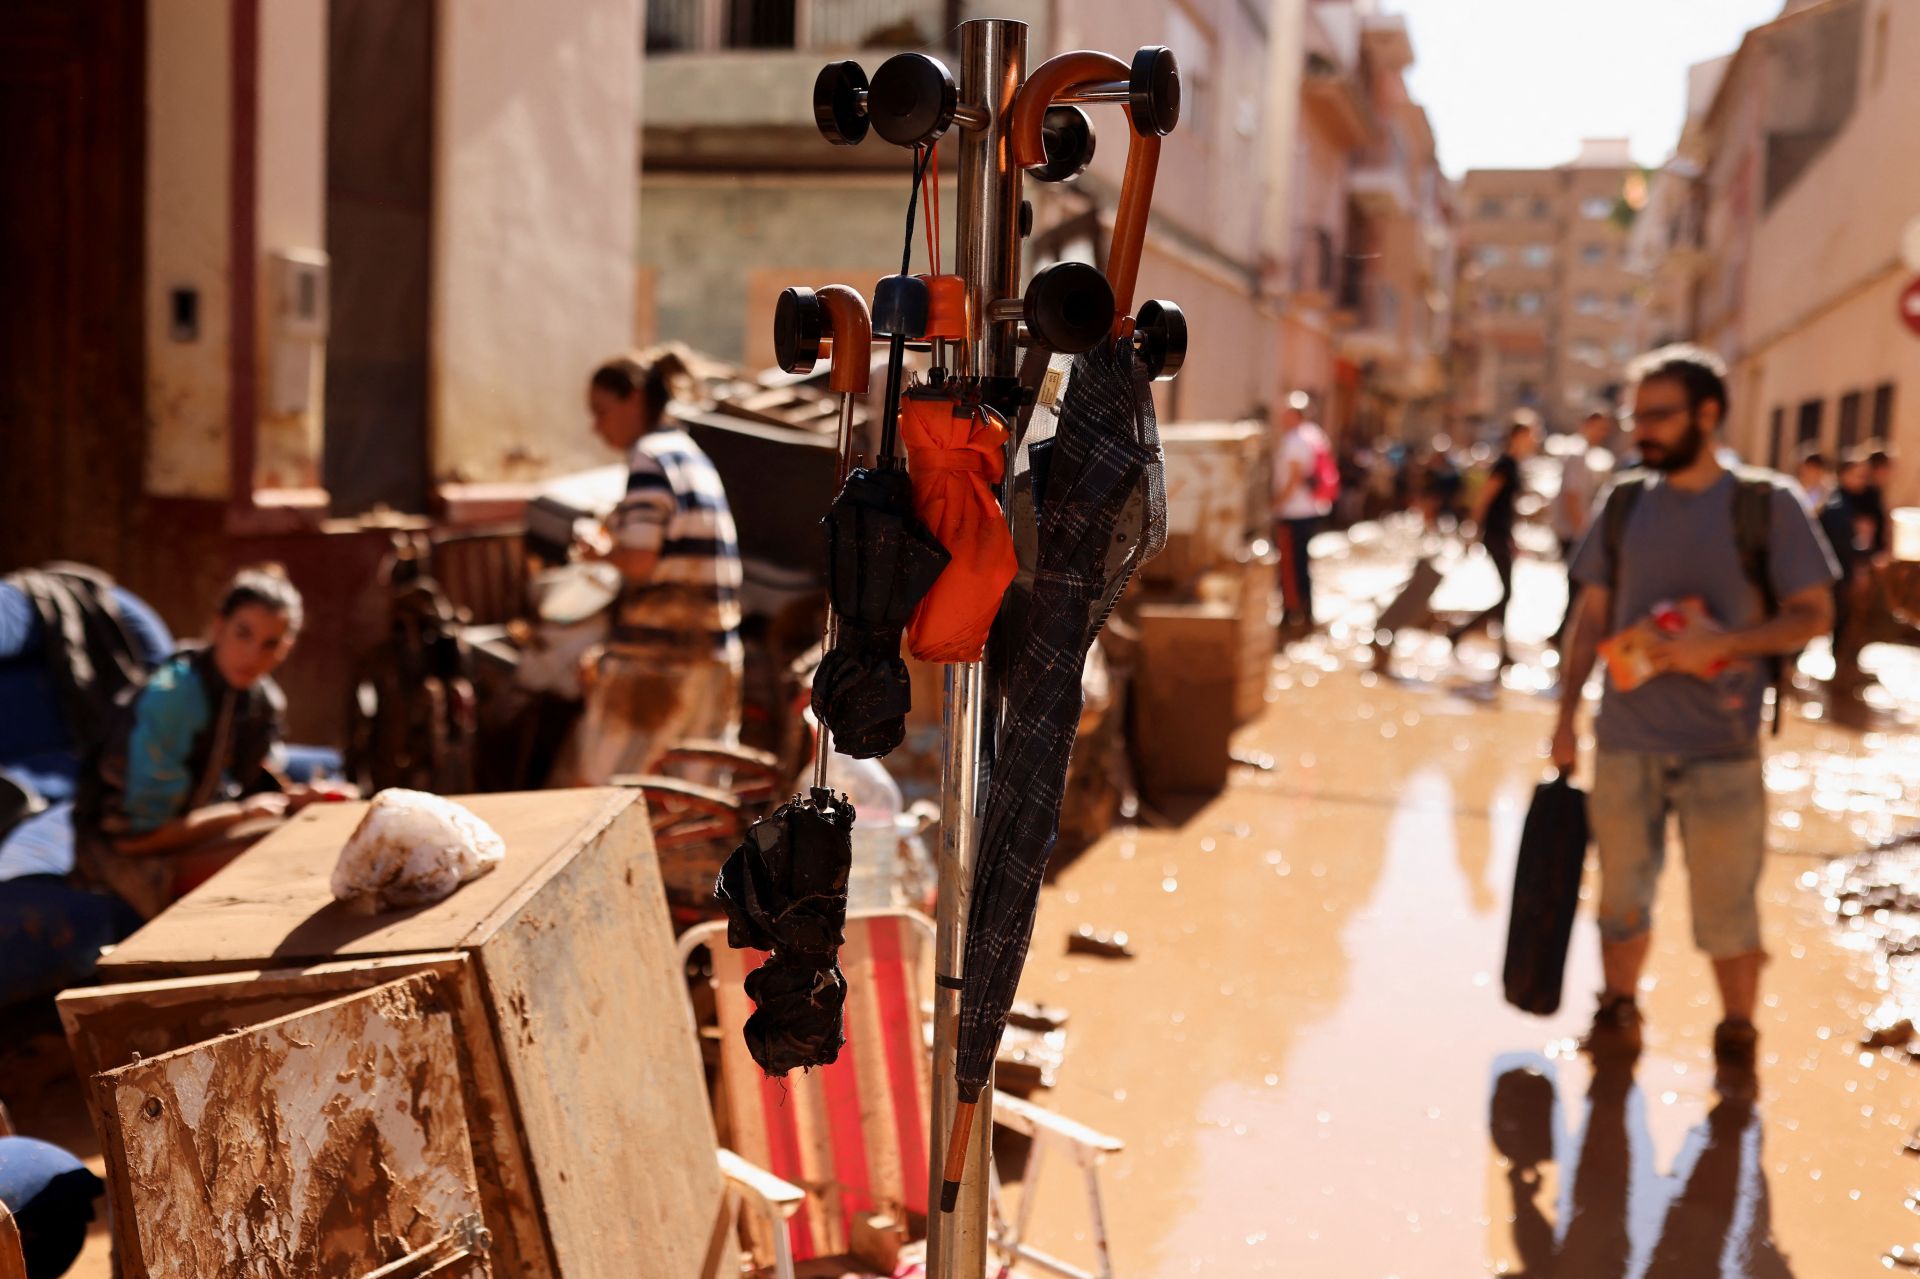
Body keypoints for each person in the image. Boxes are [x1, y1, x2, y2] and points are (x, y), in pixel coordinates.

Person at [1554, 345, 1837, 1082]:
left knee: (1728, 907)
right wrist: (1563, 717)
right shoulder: (1622, 503)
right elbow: (1590, 618)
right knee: (1620, 896)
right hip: (1624, 741)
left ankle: (1737, 1032)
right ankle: (1618, 1008)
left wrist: (1729, 642)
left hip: (1724, 747)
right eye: (1634, 414)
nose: (1639, 429)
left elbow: (1814, 613)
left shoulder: (1765, 503)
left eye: (1657, 414)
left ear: (1707, 414)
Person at [74, 566, 344, 919]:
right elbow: (136, 839)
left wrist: (296, 798)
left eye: (270, 644)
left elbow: (247, 783)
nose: (252, 655)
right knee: (286, 852)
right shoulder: (174, 698)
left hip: (189, 836)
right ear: (219, 626)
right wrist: (245, 812)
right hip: (121, 860)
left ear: (286, 648)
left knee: (324, 827)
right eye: (242, 634)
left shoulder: (260, 700)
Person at [559, 347, 744, 784]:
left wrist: (598, 551)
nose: (597, 427)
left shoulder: (648, 458)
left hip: (660, 662)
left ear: (635, 398)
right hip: (713, 652)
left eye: (602, 412)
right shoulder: (687, 453)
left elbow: (640, 561)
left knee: (614, 790)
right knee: (692, 795)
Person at [1450, 413, 1540, 667]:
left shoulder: (1514, 464)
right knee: (1507, 593)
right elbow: (1485, 497)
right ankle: (1462, 633)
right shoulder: (1505, 464)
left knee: (1507, 593)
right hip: (1494, 535)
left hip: (1502, 535)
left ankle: (1497, 649)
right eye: (1531, 435)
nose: (1534, 440)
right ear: (1518, 436)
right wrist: (1473, 528)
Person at [1271, 392, 1335, 634]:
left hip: (1294, 511)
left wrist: (1277, 503)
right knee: (1300, 564)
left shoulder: (1295, 440)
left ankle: (1293, 612)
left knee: (1290, 565)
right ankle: (1305, 612)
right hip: (1308, 509)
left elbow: (1295, 477)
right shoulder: (1313, 435)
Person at [1549, 410, 1615, 645]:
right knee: (1577, 590)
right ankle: (1564, 638)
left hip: (1574, 532)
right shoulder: (1578, 455)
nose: (1602, 433)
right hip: (1572, 533)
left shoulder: (1587, 455)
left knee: (1576, 591)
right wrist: (1585, 536)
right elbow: (1572, 497)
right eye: (1599, 427)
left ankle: (1562, 636)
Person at [1794, 448, 1831, 517]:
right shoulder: (1795, 486)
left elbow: (1813, 512)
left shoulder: (1827, 491)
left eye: (1815, 468)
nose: (1811, 472)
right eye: (1809, 467)